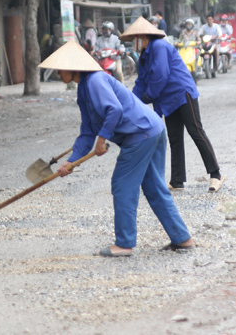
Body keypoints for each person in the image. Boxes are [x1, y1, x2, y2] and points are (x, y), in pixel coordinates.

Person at [39, 40, 194, 257]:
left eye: (59, 68)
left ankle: (124, 243)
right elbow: (86, 132)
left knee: (122, 184)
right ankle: (182, 238)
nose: (57, 73)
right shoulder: (85, 88)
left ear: (73, 67)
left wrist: (102, 139)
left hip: (141, 134)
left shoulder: (94, 80)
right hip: (152, 129)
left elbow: (114, 110)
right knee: (154, 187)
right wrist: (71, 161)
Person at [122, 17, 225, 193]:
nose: (133, 44)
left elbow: (160, 76)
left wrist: (147, 96)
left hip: (181, 92)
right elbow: (141, 82)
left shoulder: (159, 47)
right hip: (166, 99)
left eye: (134, 39)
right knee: (174, 138)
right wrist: (130, 101)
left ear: (143, 36)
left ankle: (216, 174)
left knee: (196, 131)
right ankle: (177, 180)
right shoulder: (143, 58)